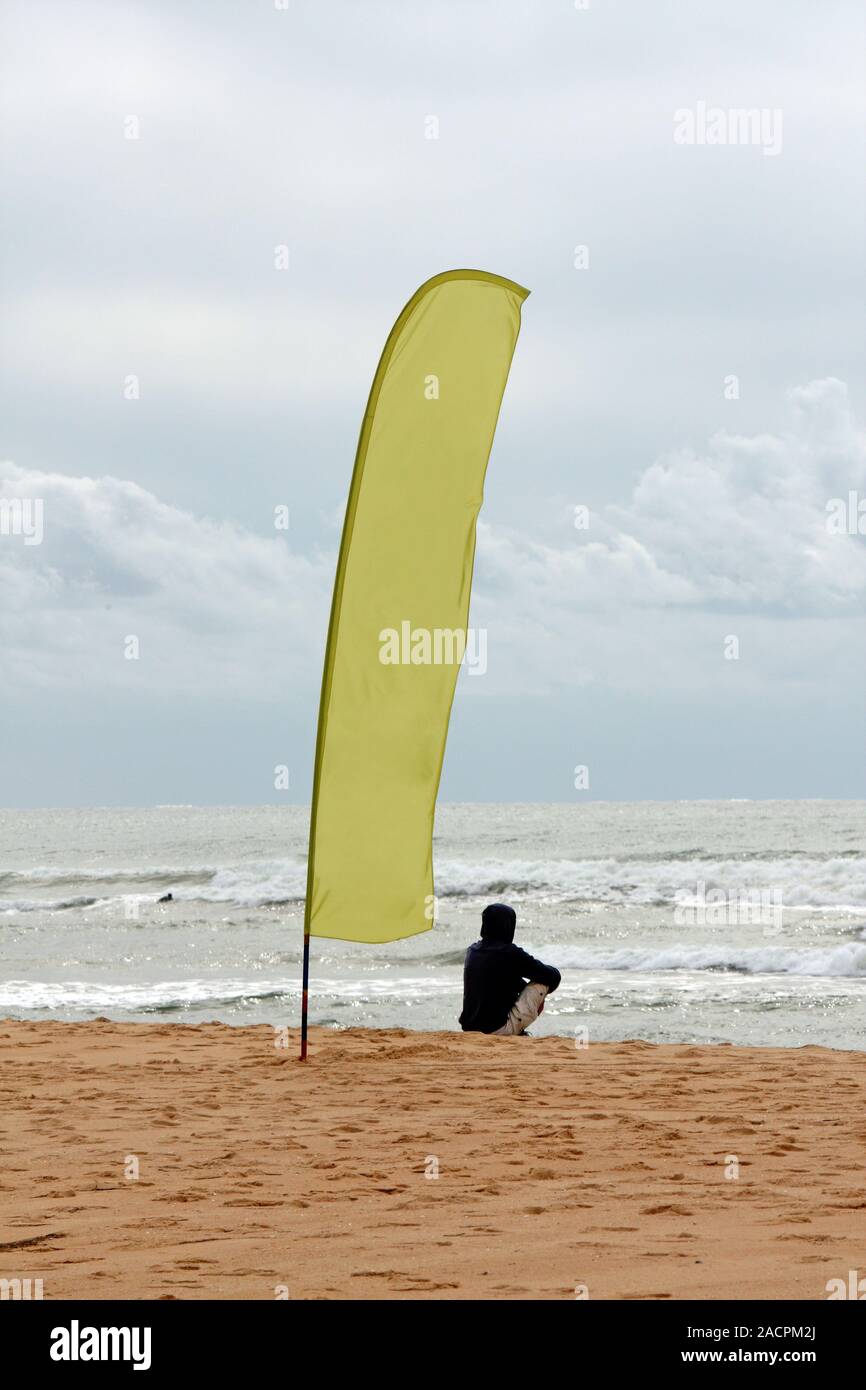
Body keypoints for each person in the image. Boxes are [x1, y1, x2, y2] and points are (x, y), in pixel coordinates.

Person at [459, 902, 561, 1036]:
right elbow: (553, 976)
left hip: (469, 1028)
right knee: (542, 982)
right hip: (496, 1029)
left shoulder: (472, 950)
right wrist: (539, 996)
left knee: (503, 977)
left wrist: (520, 986)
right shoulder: (509, 952)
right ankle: (516, 1030)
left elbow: (501, 978)